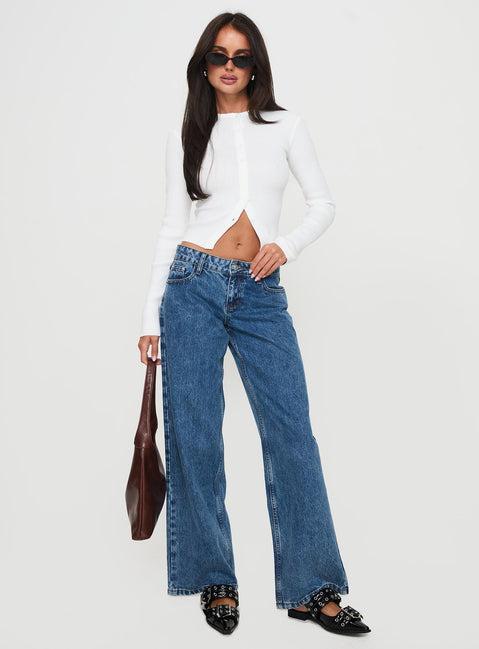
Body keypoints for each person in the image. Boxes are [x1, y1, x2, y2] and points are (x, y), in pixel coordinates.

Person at [137, 11, 371, 637]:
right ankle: (214, 577)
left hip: (260, 293)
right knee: (195, 436)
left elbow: (323, 204)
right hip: (190, 286)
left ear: (256, 65)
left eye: (241, 57)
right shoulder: (187, 133)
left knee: (292, 433)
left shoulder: (285, 126)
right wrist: (149, 316)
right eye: (219, 56)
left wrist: (286, 246)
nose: (230, 67)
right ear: (204, 65)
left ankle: (311, 588)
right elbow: (171, 225)